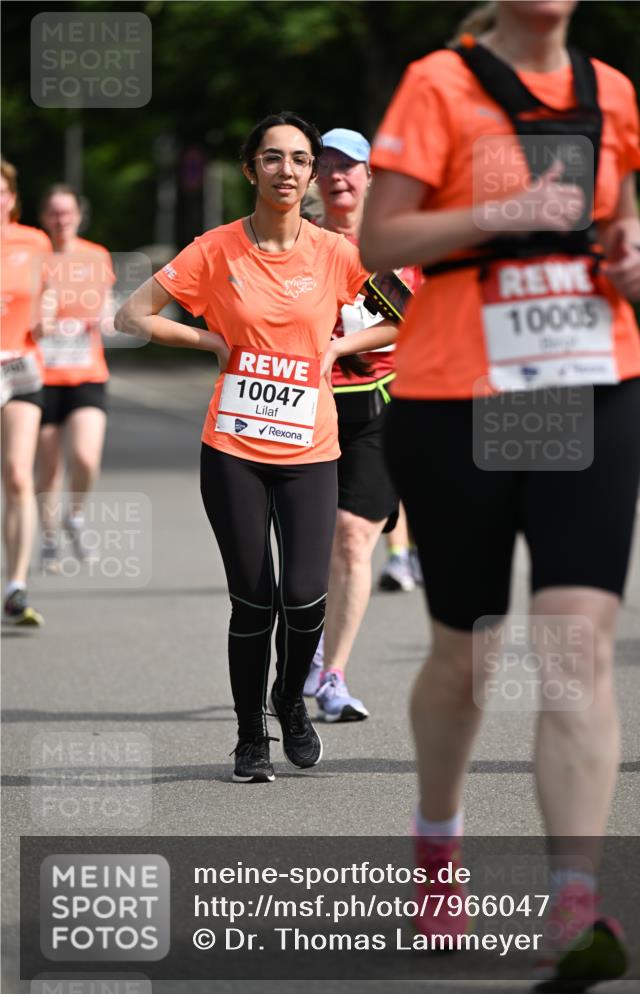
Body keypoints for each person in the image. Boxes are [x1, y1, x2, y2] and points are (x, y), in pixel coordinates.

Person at [360, 0, 640, 988]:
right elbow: (380, 240)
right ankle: (436, 849)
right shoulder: (438, 82)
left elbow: (621, 226)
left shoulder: (607, 89)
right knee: (468, 652)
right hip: (458, 401)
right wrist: (501, 211)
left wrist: (631, 258)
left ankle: (574, 903)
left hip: (589, 381)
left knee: (576, 642)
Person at [116, 112, 394, 783]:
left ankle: (288, 702)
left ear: (311, 176)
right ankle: (250, 738)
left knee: (303, 599)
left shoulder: (337, 254)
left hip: (310, 448)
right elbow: (133, 314)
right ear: (250, 170)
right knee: (253, 599)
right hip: (233, 448)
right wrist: (209, 341)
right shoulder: (214, 249)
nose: (288, 171)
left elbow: (404, 321)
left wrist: (337, 346)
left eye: (300, 159)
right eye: (272, 158)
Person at [302, 128, 421, 722]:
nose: (337, 175)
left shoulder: (395, 242)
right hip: (302, 407)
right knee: (306, 541)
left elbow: (416, 319)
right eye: (326, 165)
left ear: (371, 176)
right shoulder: (295, 240)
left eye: (350, 166)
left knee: (353, 536)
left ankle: (333, 675)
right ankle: (307, 640)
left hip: (378, 405)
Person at [35, 184, 115, 570]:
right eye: (54, 212)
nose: (61, 219)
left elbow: (107, 304)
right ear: (44, 217)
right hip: (40, 376)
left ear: (79, 216)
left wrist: (107, 319)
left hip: (86, 372)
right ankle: (49, 534)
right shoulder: (32, 257)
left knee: (85, 456)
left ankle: (75, 514)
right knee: (48, 465)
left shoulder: (96, 256)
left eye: (67, 212)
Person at [1, 159, 51, 626]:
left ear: (12, 198)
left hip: (18, 369)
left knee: (18, 474)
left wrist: (49, 314)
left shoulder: (34, 241)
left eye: (1, 191)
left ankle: (15, 585)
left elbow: (51, 293)